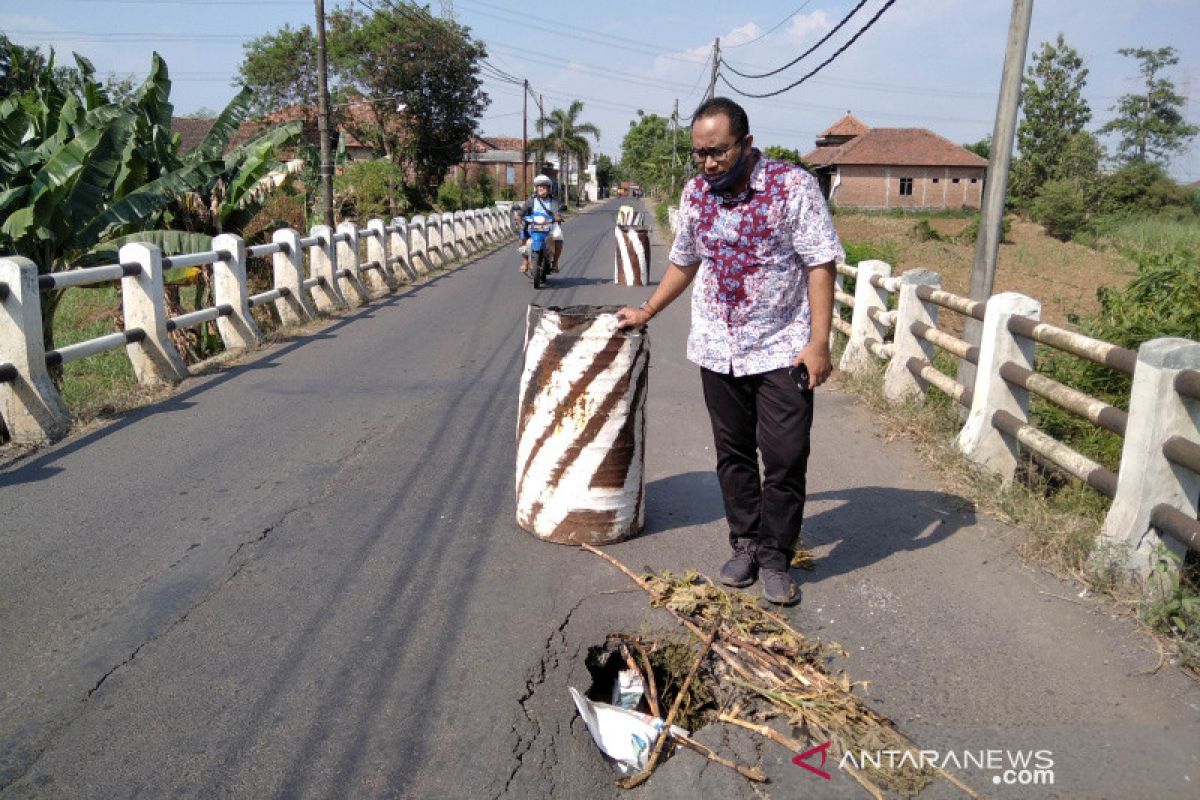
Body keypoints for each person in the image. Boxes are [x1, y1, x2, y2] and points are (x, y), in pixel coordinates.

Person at [616, 97, 843, 606]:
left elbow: (821, 263)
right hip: (718, 349)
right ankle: (745, 544)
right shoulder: (697, 194)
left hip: (783, 348)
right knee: (733, 455)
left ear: (745, 142)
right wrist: (648, 310)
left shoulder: (792, 187)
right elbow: (684, 261)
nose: (708, 163)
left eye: (718, 152)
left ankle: (776, 557)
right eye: (700, 154)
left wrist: (819, 344)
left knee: (785, 457)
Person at [518, 174, 564, 274]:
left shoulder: (554, 201)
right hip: (533, 224)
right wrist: (519, 216)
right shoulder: (531, 200)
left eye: (544, 186)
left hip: (549, 224)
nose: (541, 188)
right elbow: (522, 211)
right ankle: (525, 261)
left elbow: (557, 213)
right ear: (536, 188)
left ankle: (555, 262)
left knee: (558, 236)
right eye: (539, 186)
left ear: (548, 188)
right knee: (522, 238)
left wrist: (557, 218)